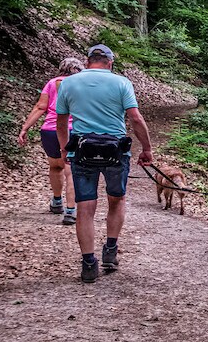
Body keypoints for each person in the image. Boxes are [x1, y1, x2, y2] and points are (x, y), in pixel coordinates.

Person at [55, 44, 154, 284]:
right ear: (110, 62)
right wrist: (147, 149)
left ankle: (88, 264)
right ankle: (110, 250)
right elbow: (135, 118)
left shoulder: (68, 83)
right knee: (116, 199)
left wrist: (65, 150)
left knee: (85, 208)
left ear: (87, 61)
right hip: (115, 151)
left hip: (83, 150)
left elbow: (61, 121)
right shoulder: (122, 83)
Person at [17, 58, 85, 225]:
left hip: (49, 130)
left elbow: (40, 107)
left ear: (61, 68)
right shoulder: (82, 84)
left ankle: (56, 201)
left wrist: (25, 128)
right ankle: (70, 211)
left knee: (55, 166)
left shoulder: (51, 83)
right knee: (71, 169)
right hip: (73, 130)